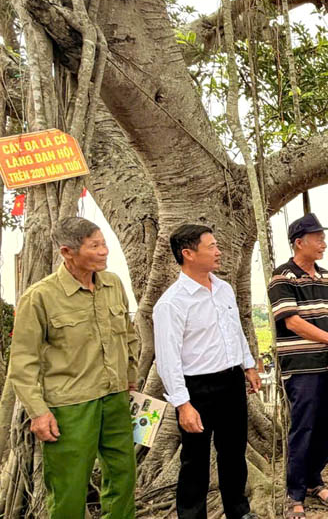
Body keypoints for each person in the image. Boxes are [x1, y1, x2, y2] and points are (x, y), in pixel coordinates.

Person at [8, 217, 139, 519]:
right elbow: (22, 362)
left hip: (115, 398)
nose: (105, 251)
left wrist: (130, 377)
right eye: (95, 246)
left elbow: (129, 335)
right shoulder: (40, 297)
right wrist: (39, 412)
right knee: (68, 486)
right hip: (70, 406)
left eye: (104, 243)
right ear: (67, 252)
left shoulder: (113, 284)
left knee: (123, 476)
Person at [153, 224, 261, 519]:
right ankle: (191, 515)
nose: (218, 252)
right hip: (197, 388)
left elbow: (235, 331)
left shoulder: (223, 289)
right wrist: (183, 404)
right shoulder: (172, 303)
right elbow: (168, 358)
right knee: (195, 461)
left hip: (231, 381)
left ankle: (239, 511)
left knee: (234, 454)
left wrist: (248, 365)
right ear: (188, 254)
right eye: (211, 246)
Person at [267, 213, 328, 518]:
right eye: (318, 239)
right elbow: (292, 321)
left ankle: (315, 480)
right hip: (301, 366)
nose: (323, 244)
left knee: (327, 426)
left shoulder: (327, 276)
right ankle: (295, 493)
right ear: (299, 243)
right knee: (303, 427)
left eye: (323, 238)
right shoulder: (282, 277)